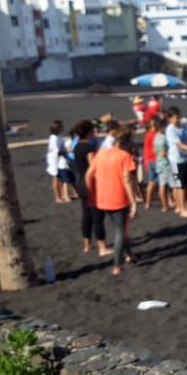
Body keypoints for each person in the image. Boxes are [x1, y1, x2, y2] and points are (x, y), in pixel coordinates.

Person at [86, 128, 138, 275]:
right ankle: (117, 264)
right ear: (126, 141)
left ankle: (129, 254)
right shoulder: (125, 156)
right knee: (120, 231)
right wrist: (133, 202)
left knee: (119, 229)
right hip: (119, 198)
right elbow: (128, 180)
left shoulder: (101, 153)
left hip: (103, 198)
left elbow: (89, 174)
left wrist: (90, 193)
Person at [71, 120, 108, 256]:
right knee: (98, 216)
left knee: (86, 215)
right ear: (89, 132)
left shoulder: (77, 146)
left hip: (79, 182)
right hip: (90, 183)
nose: (95, 133)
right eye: (93, 131)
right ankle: (102, 247)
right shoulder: (89, 148)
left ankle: (87, 244)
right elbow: (94, 167)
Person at [150, 117, 174, 212]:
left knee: (162, 185)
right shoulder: (164, 138)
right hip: (167, 164)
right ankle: (177, 203)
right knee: (176, 184)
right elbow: (164, 153)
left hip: (159, 163)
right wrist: (172, 152)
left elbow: (154, 151)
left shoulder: (156, 137)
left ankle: (165, 205)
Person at [46, 120, 70, 203]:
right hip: (54, 159)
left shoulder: (59, 136)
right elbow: (57, 151)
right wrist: (66, 154)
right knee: (56, 177)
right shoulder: (53, 138)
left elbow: (62, 146)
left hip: (58, 158)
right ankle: (57, 196)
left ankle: (62, 194)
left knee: (60, 177)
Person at [143, 116, 160, 208]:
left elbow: (146, 150)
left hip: (149, 161)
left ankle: (148, 203)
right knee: (163, 183)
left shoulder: (148, 134)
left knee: (151, 182)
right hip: (157, 160)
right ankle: (168, 202)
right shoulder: (156, 135)